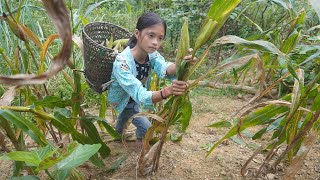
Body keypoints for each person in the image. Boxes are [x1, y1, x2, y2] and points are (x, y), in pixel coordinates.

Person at [108, 12, 192, 145]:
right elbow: (141, 95)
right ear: (137, 33)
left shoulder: (152, 55)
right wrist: (167, 91)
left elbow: (164, 68)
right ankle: (141, 142)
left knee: (126, 114)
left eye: (160, 38)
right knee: (146, 127)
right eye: (151, 35)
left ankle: (117, 135)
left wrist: (179, 62)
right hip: (124, 98)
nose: (155, 42)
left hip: (133, 98)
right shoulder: (122, 63)